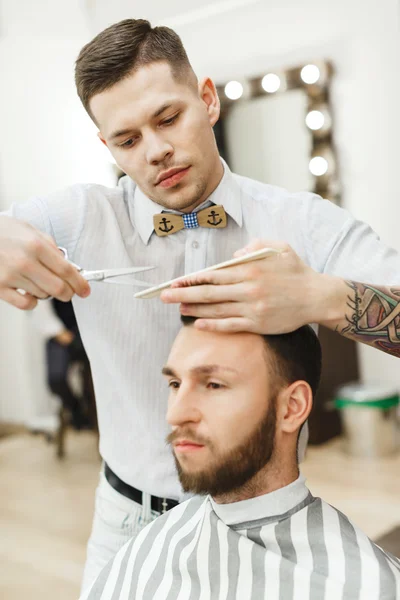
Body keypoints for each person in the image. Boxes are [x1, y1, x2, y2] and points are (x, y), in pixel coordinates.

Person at [1, 18, 400, 591]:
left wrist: (320, 296)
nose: (156, 151)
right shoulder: (82, 218)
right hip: (127, 522)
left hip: (262, 522)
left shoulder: (301, 221)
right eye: (128, 139)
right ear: (106, 145)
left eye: (168, 118)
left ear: (207, 99)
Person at [81, 317, 400, 600]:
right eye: (175, 384)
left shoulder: (369, 585)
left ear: (291, 407)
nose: (176, 414)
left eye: (214, 384)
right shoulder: (148, 546)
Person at [31, 298, 93, 430]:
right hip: (58, 332)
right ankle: (76, 410)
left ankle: (94, 411)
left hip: (89, 330)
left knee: (94, 378)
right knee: (56, 379)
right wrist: (62, 334)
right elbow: (40, 312)